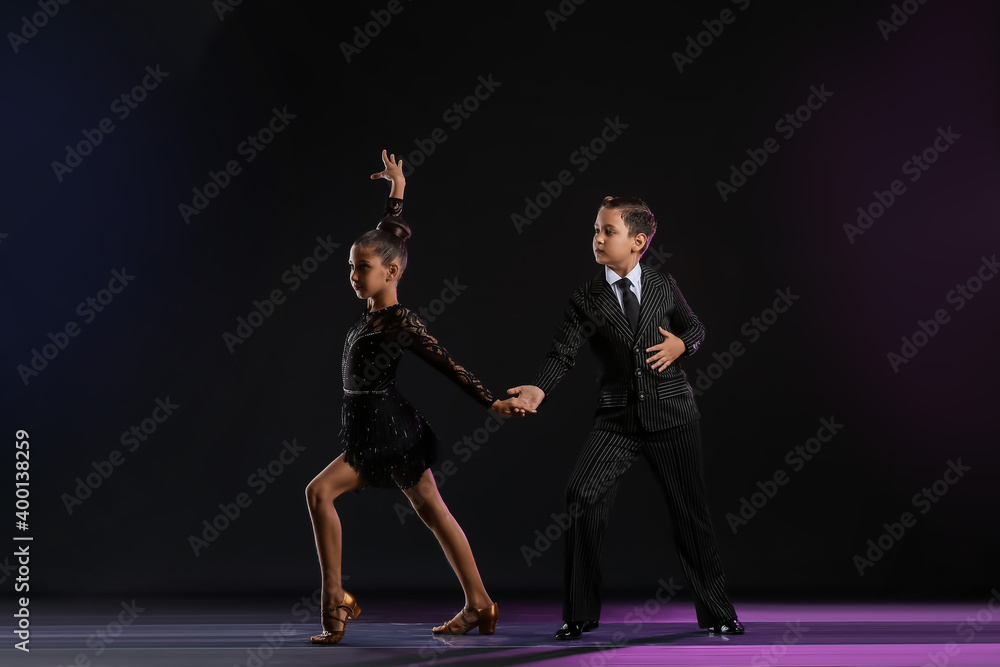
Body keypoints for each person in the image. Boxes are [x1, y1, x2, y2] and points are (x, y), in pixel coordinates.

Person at [305, 150, 530, 645]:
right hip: (379, 424)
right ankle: (480, 603)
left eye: (362, 268)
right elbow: (392, 234)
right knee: (432, 510)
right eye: (350, 267)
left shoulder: (400, 322)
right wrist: (398, 189)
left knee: (320, 493)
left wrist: (491, 401)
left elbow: (446, 363)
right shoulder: (373, 306)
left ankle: (335, 603)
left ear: (391, 273)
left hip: (386, 430)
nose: (353, 275)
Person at [506, 196, 744, 639]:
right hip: (617, 419)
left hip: (672, 413)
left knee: (690, 514)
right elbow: (562, 352)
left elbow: (694, 328)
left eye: (607, 231)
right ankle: (579, 613)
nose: (597, 238)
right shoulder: (586, 298)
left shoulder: (662, 284)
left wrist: (682, 346)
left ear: (638, 242)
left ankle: (718, 613)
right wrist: (539, 387)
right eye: (595, 230)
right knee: (581, 496)